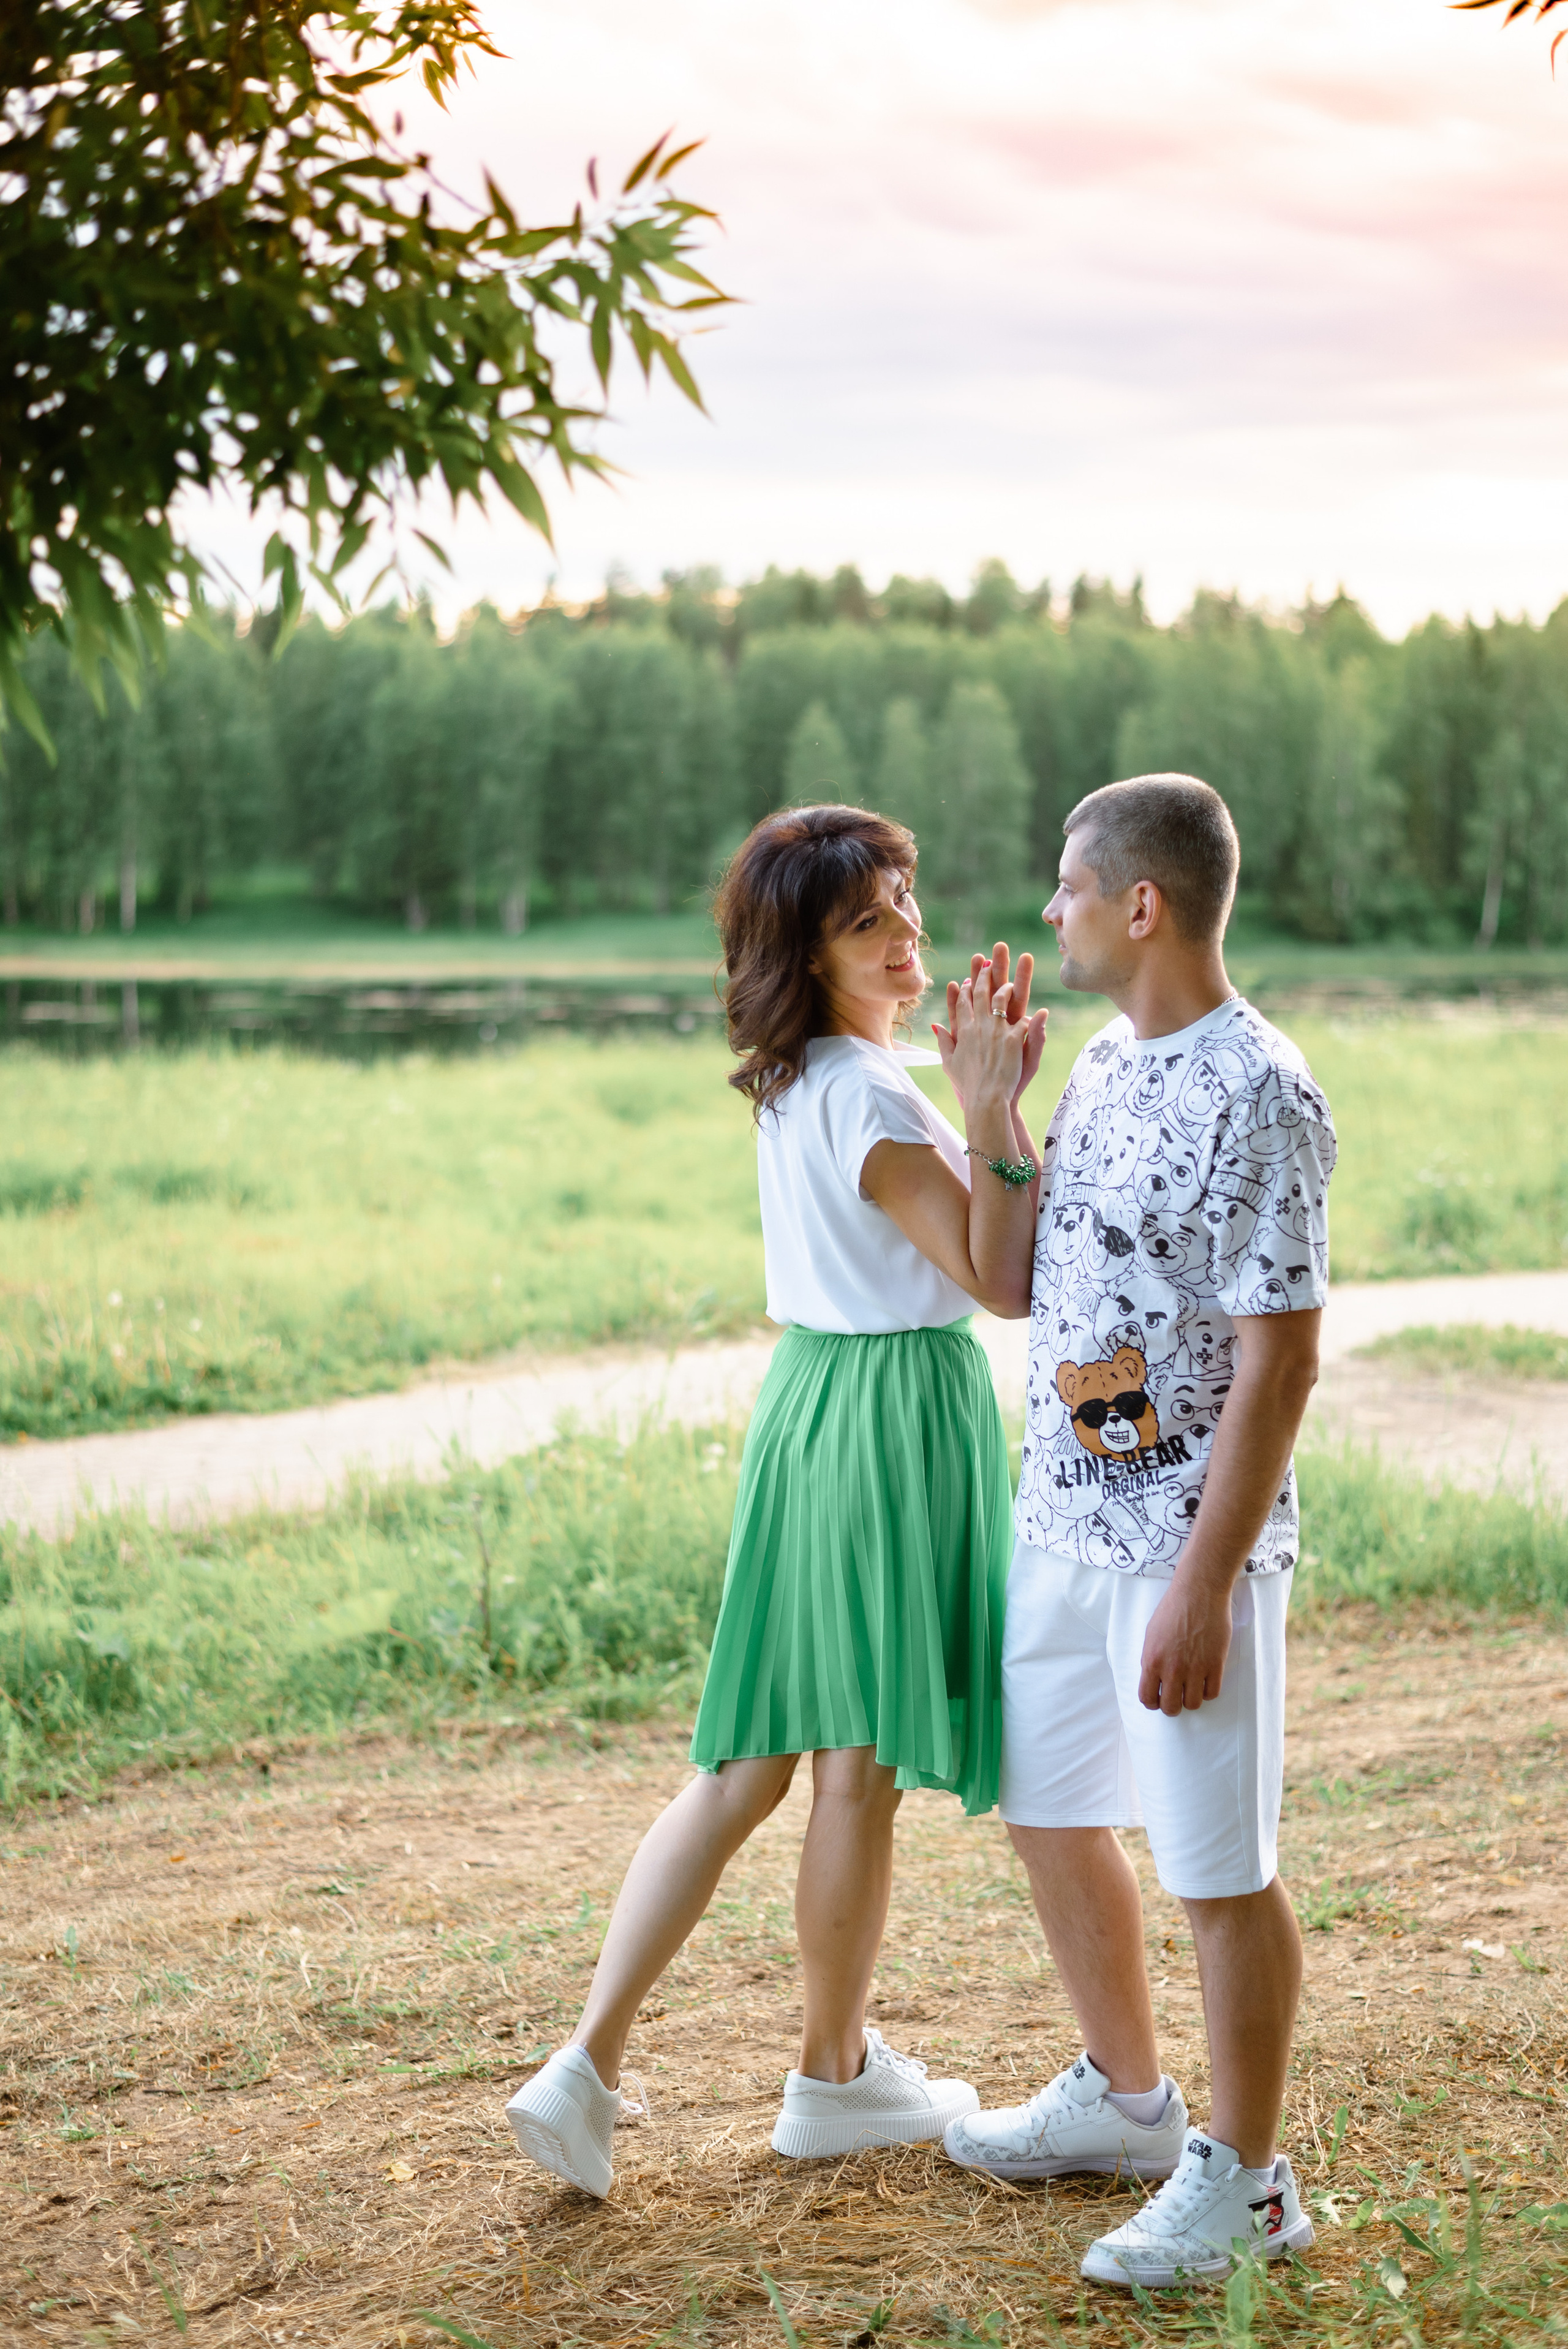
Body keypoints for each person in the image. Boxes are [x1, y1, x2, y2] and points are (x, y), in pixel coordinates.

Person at [504, 802, 1049, 2197]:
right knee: (848, 1770)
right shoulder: (868, 1092)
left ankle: (591, 2065)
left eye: (906, 903)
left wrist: (962, 1091)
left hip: (812, 1404)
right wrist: (989, 1104)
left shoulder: (807, 1075)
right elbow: (1002, 1281)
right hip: (884, 1414)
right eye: (866, 921)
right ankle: (826, 2077)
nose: (905, 934)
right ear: (804, 955)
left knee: (753, 1762)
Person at [940, 773, 1336, 2290]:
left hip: (1182, 1550)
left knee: (1213, 1864)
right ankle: (1123, 2102)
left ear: (1140, 905)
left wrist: (1203, 1584)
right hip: (1060, 1525)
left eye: (1065, 887)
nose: (1049, 913)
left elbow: (1279, 1361)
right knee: (1047, 1807)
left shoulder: (1262, 1090)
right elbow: (1009, 1283)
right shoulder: (1102, 1066)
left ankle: (1247, 2183)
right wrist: (990, 1111)